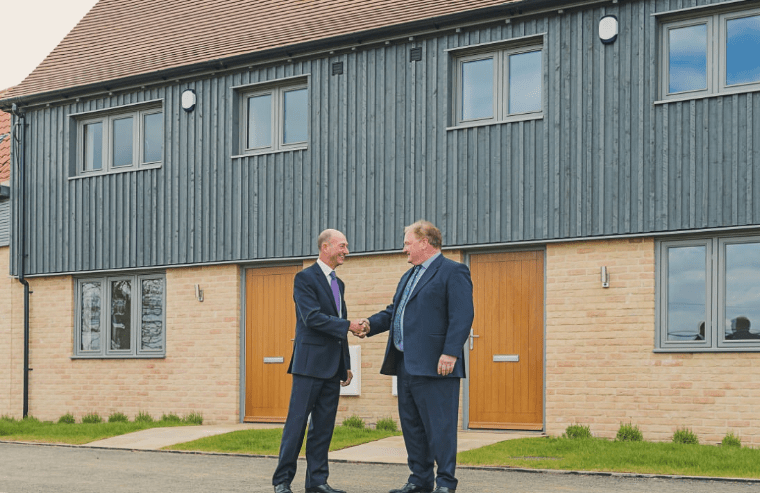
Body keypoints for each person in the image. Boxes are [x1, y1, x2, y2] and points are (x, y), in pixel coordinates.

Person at [363, 220, 474, 493]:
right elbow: (394, 312)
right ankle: (419, 480)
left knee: (440, 427)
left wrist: (450, 353)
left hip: (438, 366)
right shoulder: (408, 276)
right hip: (405, 364)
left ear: (425, 242)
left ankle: (445, 483)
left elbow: (462, 316)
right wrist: (368, 325)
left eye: (408, 243)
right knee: (412, 426)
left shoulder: (453, 271)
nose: (404, 249)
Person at [272, 229, 367, 493]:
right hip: (308, 365)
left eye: (346, 246)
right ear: (326, 247)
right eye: (342, 246)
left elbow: (339, 330)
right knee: (296, 425)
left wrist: (346, 363)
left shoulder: (340, 284)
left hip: (332, 367)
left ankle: (317, 483)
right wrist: (349, 324)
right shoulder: (304, 279)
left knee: (323, 429)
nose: (346, 251)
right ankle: (282, 481)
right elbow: (311, 318)